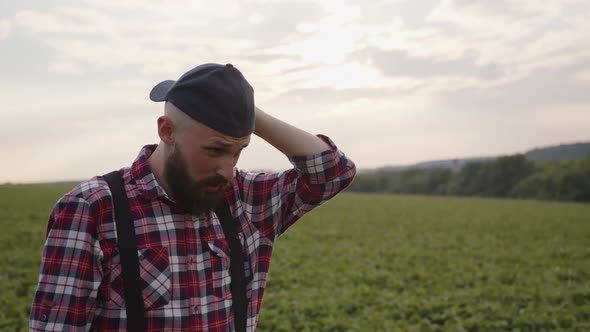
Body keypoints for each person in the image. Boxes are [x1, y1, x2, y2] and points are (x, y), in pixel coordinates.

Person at [30, 63, 356, 331]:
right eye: (215, 150)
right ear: (167, 131)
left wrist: (243, 110)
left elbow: (333, 172)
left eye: (238, 151)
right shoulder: (93, 209)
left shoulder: (246, 201)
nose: (227, 170)